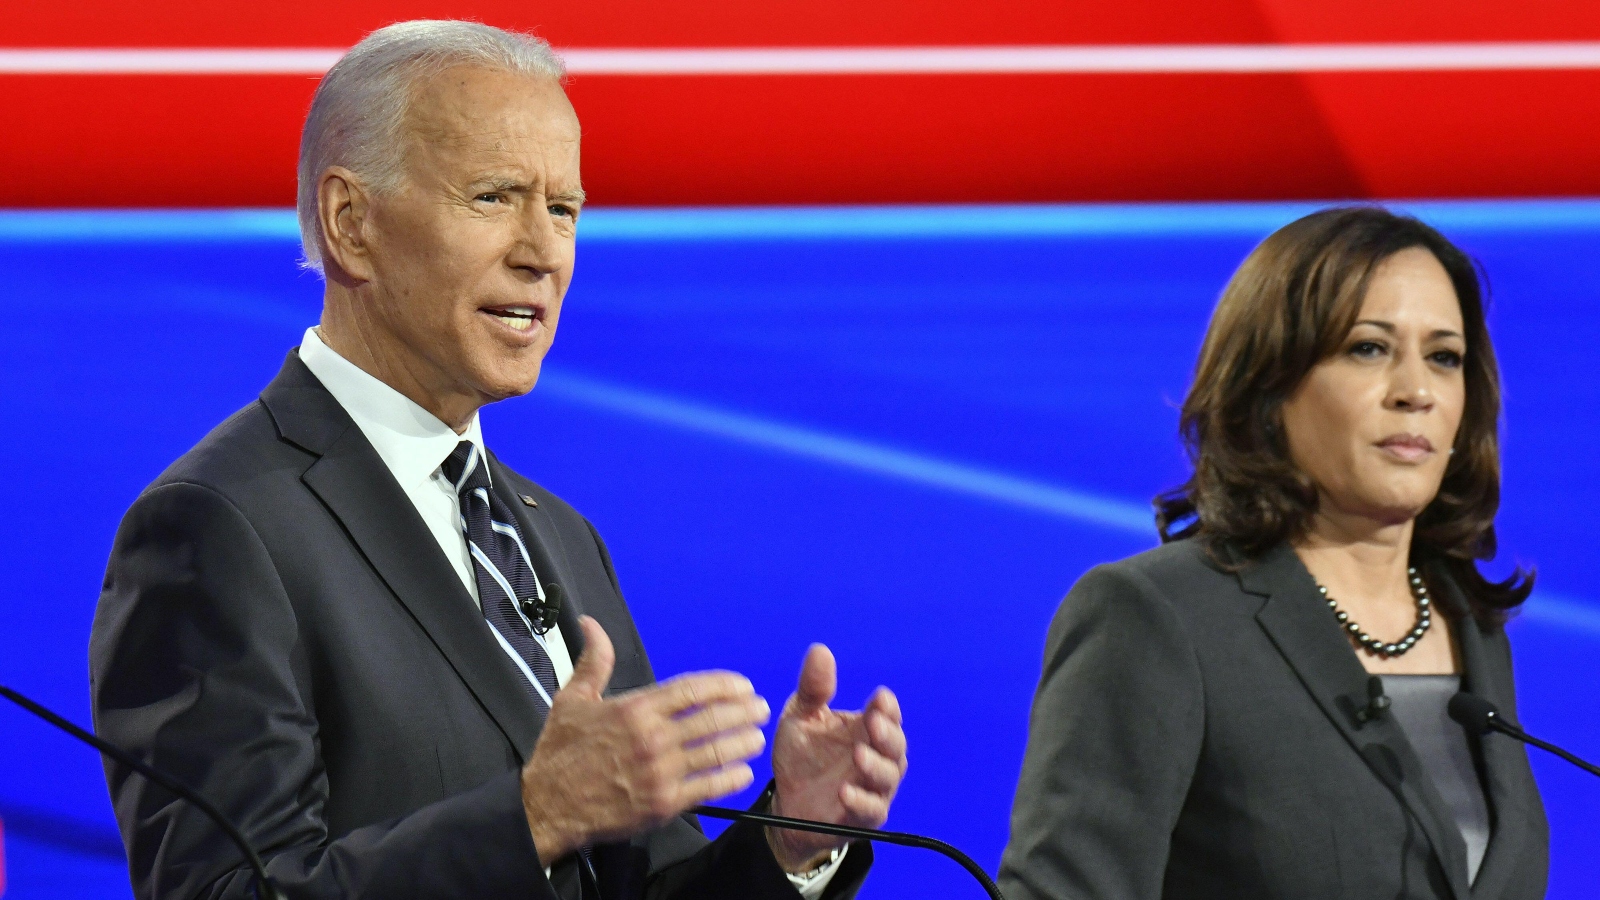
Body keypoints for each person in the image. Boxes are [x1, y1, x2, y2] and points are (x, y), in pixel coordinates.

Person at [89, 21, 907, 900]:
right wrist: (535, 817)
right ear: (350, 222)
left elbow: (643, 884)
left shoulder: (560, 535)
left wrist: (787, 845)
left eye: (563, 210)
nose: (543, 252)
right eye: (493, 197)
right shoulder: (218, 525)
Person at [999, 206, 1547, 899]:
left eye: (1444, 357)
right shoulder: (1159, 619)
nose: (1416, 392)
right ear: (1270, 384)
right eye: (1368, 348)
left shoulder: (1470, 623)